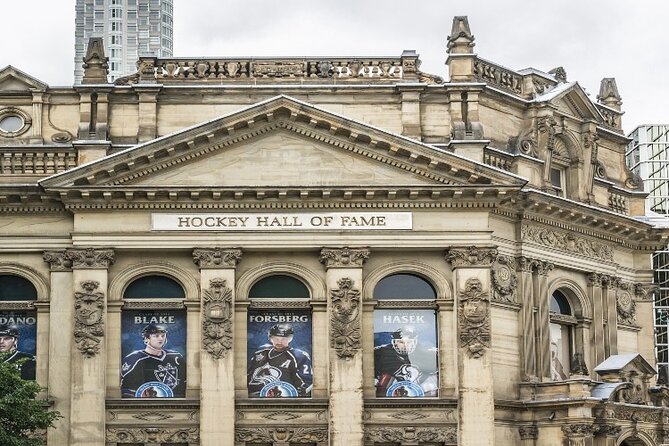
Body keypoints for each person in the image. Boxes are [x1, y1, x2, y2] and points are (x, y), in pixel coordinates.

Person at [247, 323, 312, 397]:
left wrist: (292, 396)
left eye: (284, 339)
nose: (279, 342)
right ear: (270, 338)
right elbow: (248, 375)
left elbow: (307, 382)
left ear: (290, 339)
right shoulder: (260, 352)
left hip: (283, 399)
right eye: (276, 338)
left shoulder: (299, 356)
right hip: (254, 397)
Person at [120, 324, 186, 398]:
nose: (161, 339)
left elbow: (185, 381)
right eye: (156, 336)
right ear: (146, 339)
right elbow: (124, 389)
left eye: (163, 336)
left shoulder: (176, 356)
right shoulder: (134, 359)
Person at [374, 326, 438, 397]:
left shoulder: (428, 354)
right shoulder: (380, 353)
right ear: (394, 342)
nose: (405, 345)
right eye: (401, 342)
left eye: (409, 342)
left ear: (415, 342)